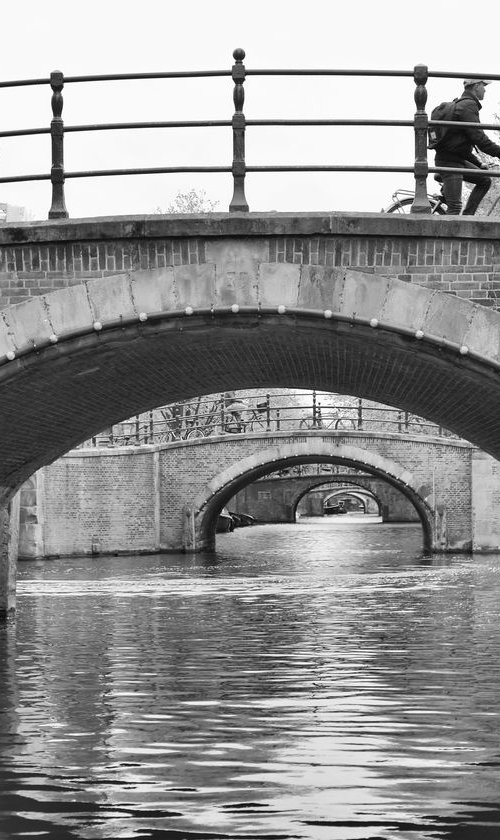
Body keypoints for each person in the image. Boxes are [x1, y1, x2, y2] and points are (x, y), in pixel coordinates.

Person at [434, 79, 500, 215]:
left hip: (455, 159)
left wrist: (479, 164)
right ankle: (446, 234)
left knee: (484, 180)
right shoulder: (468, 106)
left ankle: (468, 217)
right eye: (484, 85)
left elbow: (459, 145)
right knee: (454, 208)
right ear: (476, 86)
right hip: (450, 162)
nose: (485, 89)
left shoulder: (463, 104)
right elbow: (480, 140)